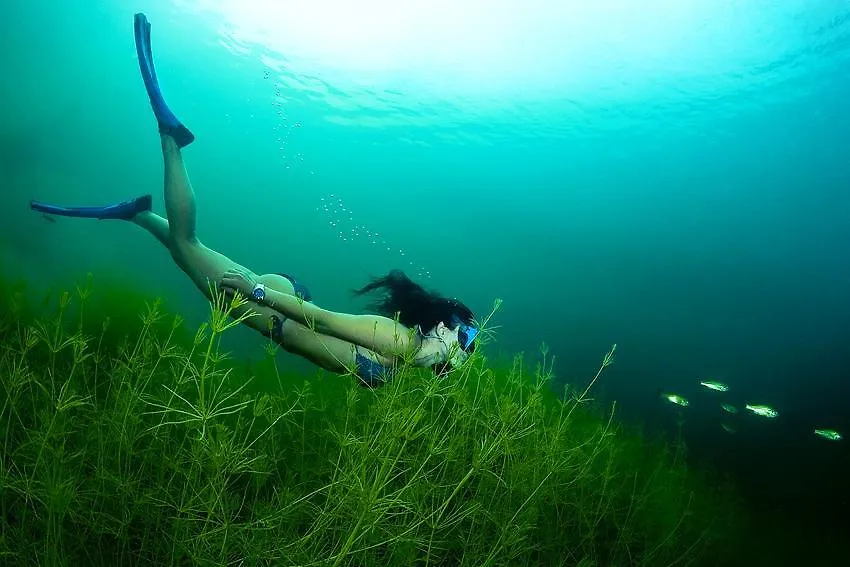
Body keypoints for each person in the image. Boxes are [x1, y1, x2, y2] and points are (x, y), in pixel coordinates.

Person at [30, 13, 479, 387]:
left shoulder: (404, 360)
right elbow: (320, 321)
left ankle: (140, 213)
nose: (460, 359)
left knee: (188, 251)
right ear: (443, 327)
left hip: (276, 306)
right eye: (464, 342)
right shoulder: (399, 341)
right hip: (268, 307)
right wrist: (255, 291)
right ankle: (170, 138)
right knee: (188, 246)